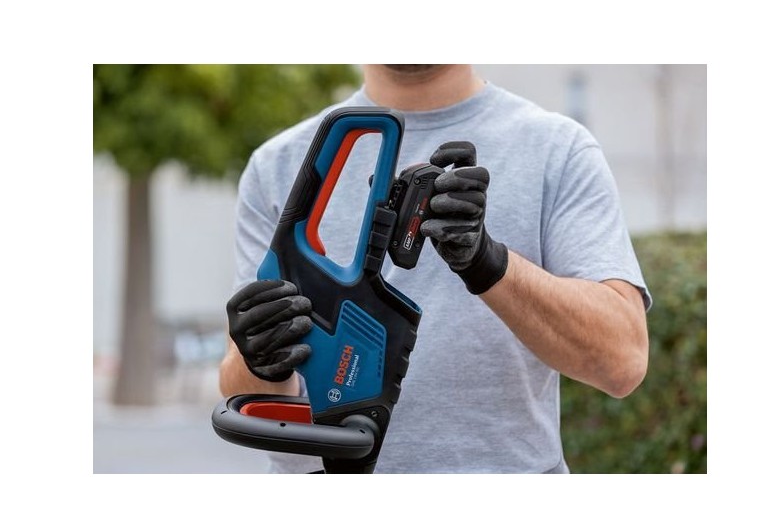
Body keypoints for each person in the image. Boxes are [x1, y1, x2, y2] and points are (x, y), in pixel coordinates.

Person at [220, 65, 651, 473]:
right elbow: (246, 394)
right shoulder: (275, 165)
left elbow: (621, 361)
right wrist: (261, 360)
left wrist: (489, 264)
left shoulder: (558, 150)